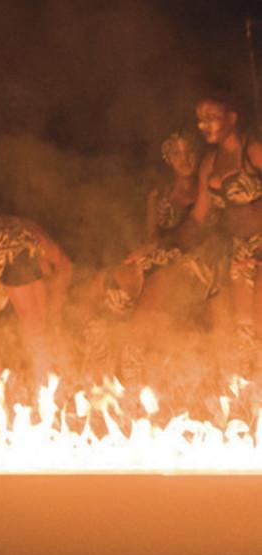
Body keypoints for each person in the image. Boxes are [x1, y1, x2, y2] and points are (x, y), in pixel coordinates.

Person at [102, 133, 218, 382]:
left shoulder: (208, 189)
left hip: (196, 261)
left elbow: (206, 232)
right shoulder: (159, 196)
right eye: (176, 153)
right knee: (117, 278)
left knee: (161, 281)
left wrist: (167, 251)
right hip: (161, 257)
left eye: (189, 152)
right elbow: (151, 238)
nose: (184, 159)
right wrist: (141, 257)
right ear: (167, 158)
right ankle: (91, 353)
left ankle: (134, 363)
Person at [0, 214, 72, 394]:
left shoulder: (28, 235)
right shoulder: (34, 237)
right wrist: (53, 317)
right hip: (14, 244)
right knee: (37, 335)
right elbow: (65, 268)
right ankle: (45, 389)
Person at [193, 92, 262, 369]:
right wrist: (166, 246)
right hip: (238, 249)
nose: (204, 125)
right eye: (200, 119)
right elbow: (198, 217)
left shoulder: (253, 151)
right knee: (241, 327)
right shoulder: (209, 164)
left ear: (232, 119)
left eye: (212, 117)